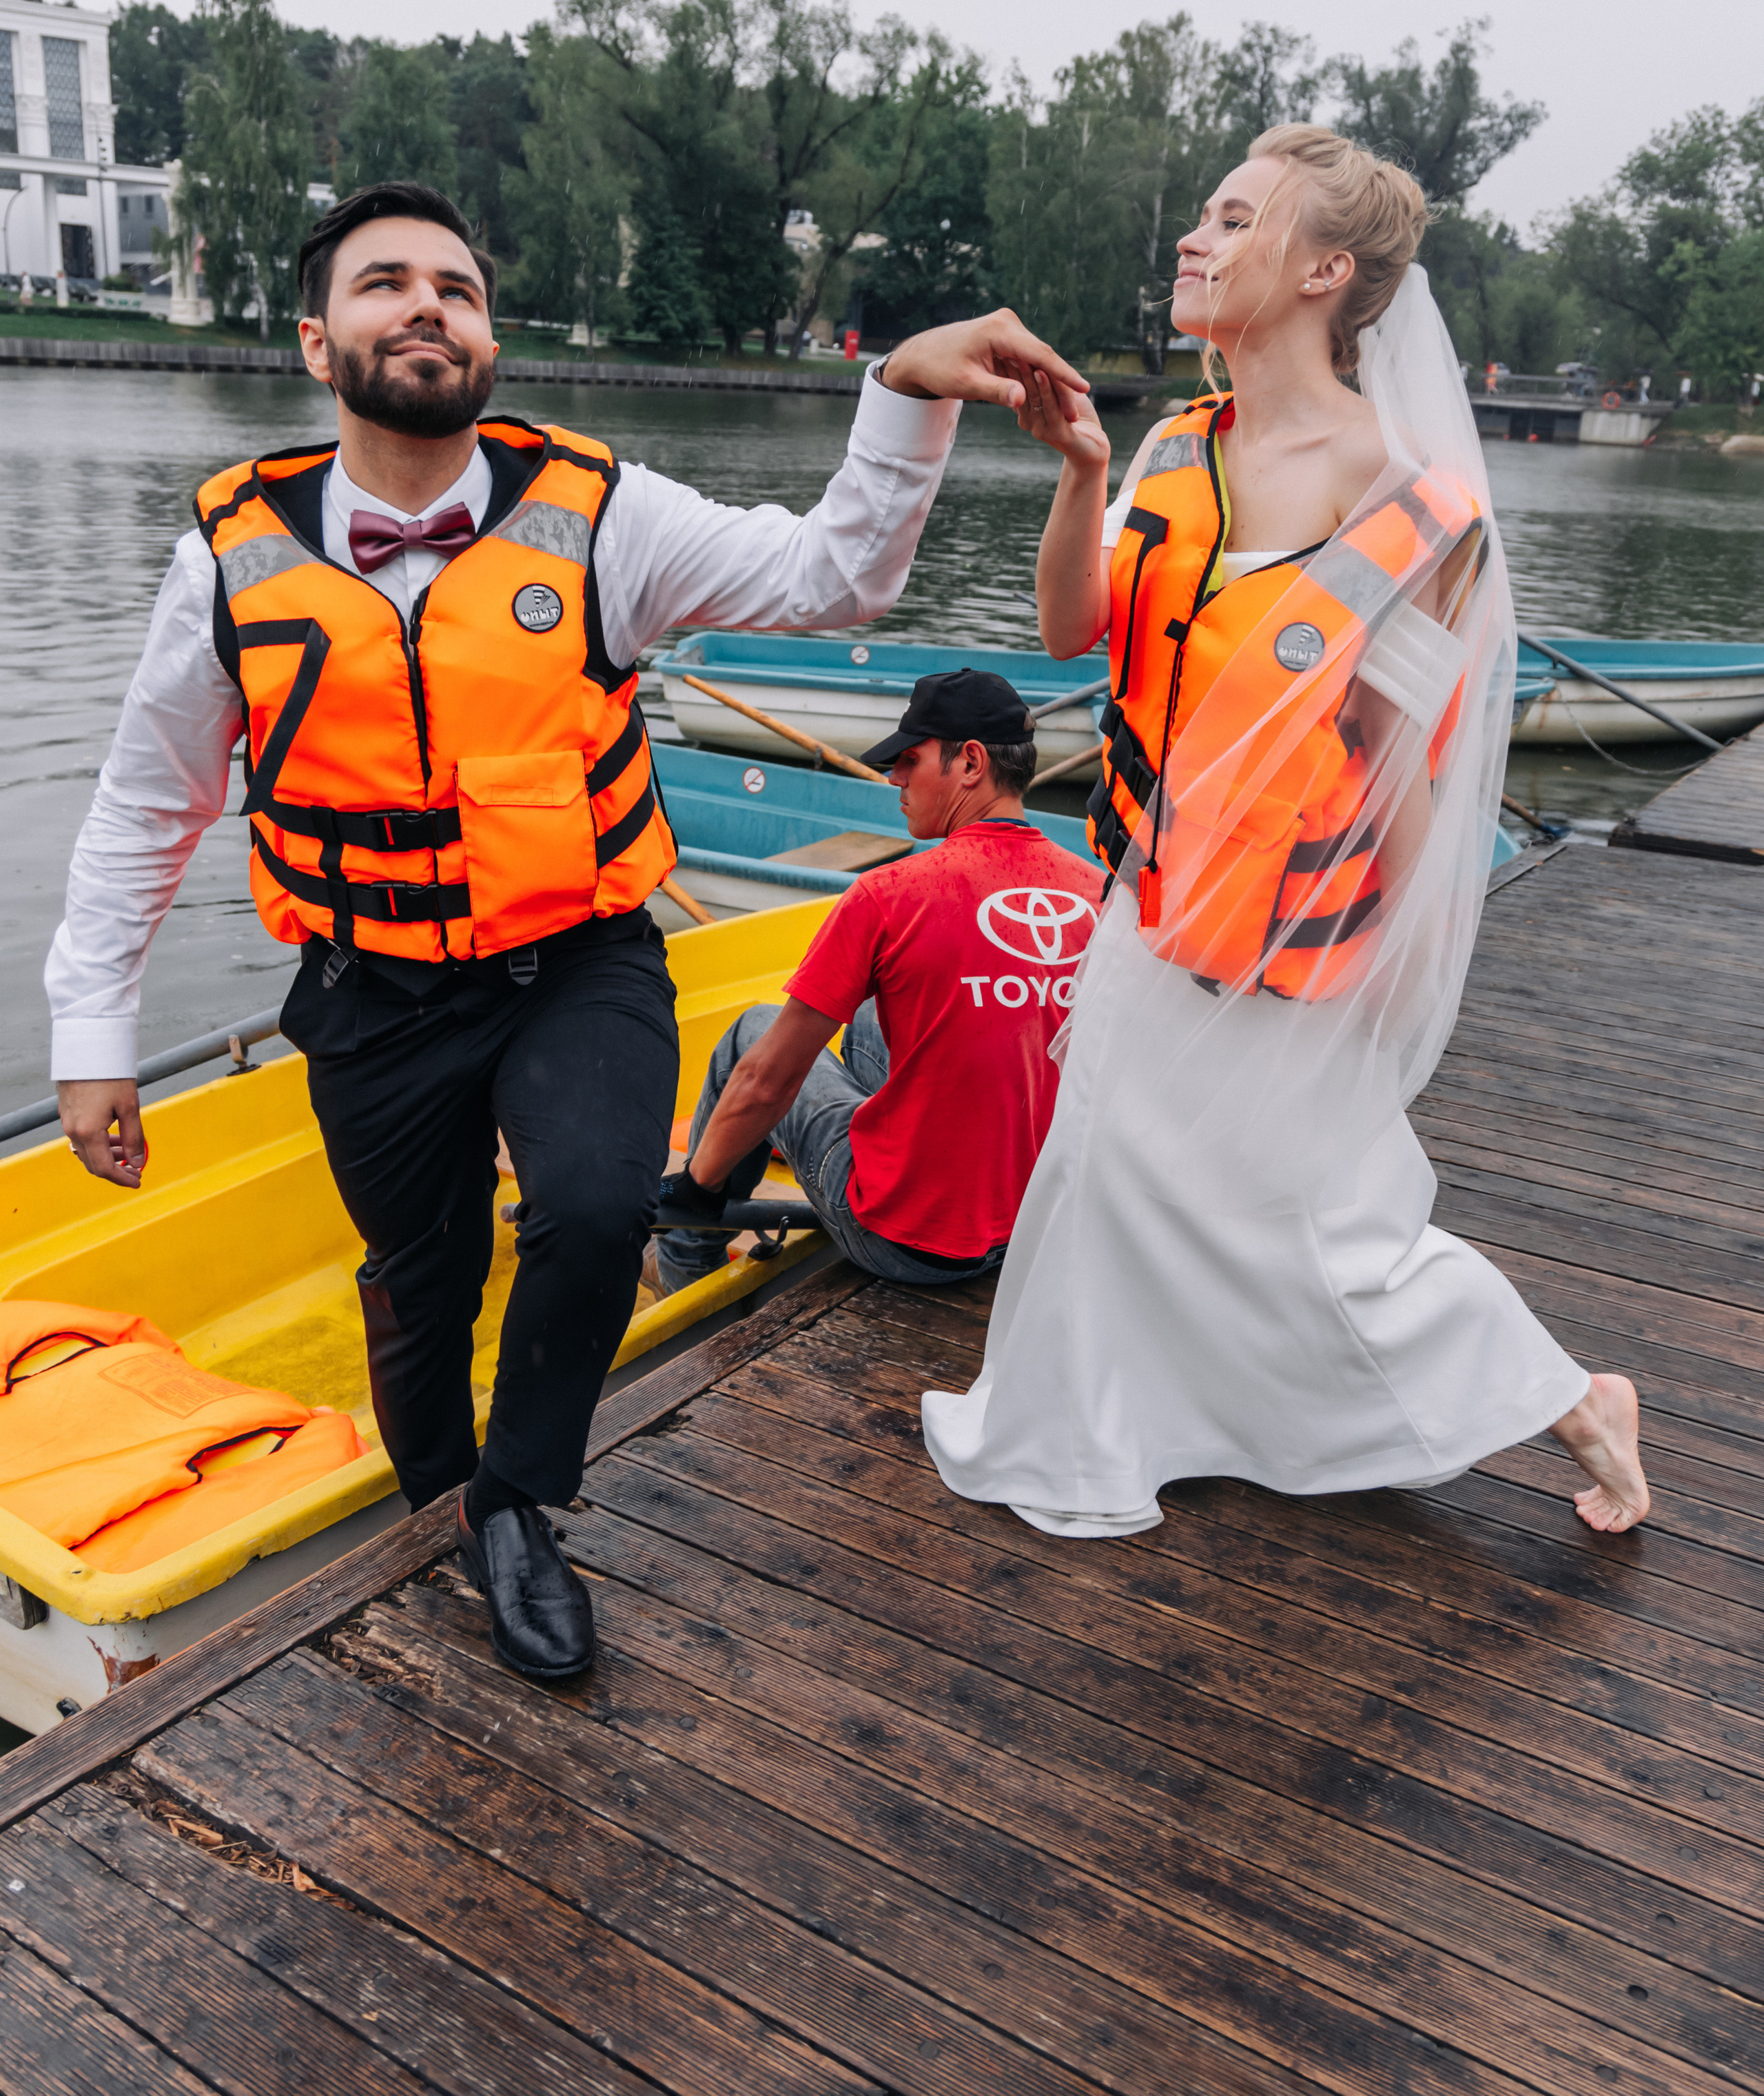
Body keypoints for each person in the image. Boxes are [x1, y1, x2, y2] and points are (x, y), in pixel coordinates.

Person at [47, 179, 1087, 1682]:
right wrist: (93, 1038)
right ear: (313, 342)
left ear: (489, 338)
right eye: (384, 284)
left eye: (456, 290)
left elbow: (833, 577)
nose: (425, 307)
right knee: (420, 1279)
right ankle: (442, 1512)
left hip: (574, 961)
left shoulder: (598, 513)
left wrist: (900, 391)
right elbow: (149, 804)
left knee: (596, 1208)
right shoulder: (229, 553)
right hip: (368, 986)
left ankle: (523, 1499)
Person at [922, 126, 1651, 1541]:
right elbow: (1068, 632)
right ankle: (1086, 1435)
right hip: (1145, 897)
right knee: (1101, 1173)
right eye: (1198, 212)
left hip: (1299, 929)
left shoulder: (1412, 507)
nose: (1193, 238)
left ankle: (1573, 1401)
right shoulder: (1170, 447)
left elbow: (1400, 765)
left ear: (1325, 269)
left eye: (1231, 217)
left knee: (1327, 1233)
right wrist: (1078, 474)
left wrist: (1411, 971)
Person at [648, 669, 1102, 1298]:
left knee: (751, 1036)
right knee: (869, 1019)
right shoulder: (1102, 893)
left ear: (970, 763)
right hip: (1039, 1225)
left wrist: (693, 1186)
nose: (894, 779)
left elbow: (766, 1082)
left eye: (908, 761)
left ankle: (686, 1256)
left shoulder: (888, 895)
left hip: (915, 1244)